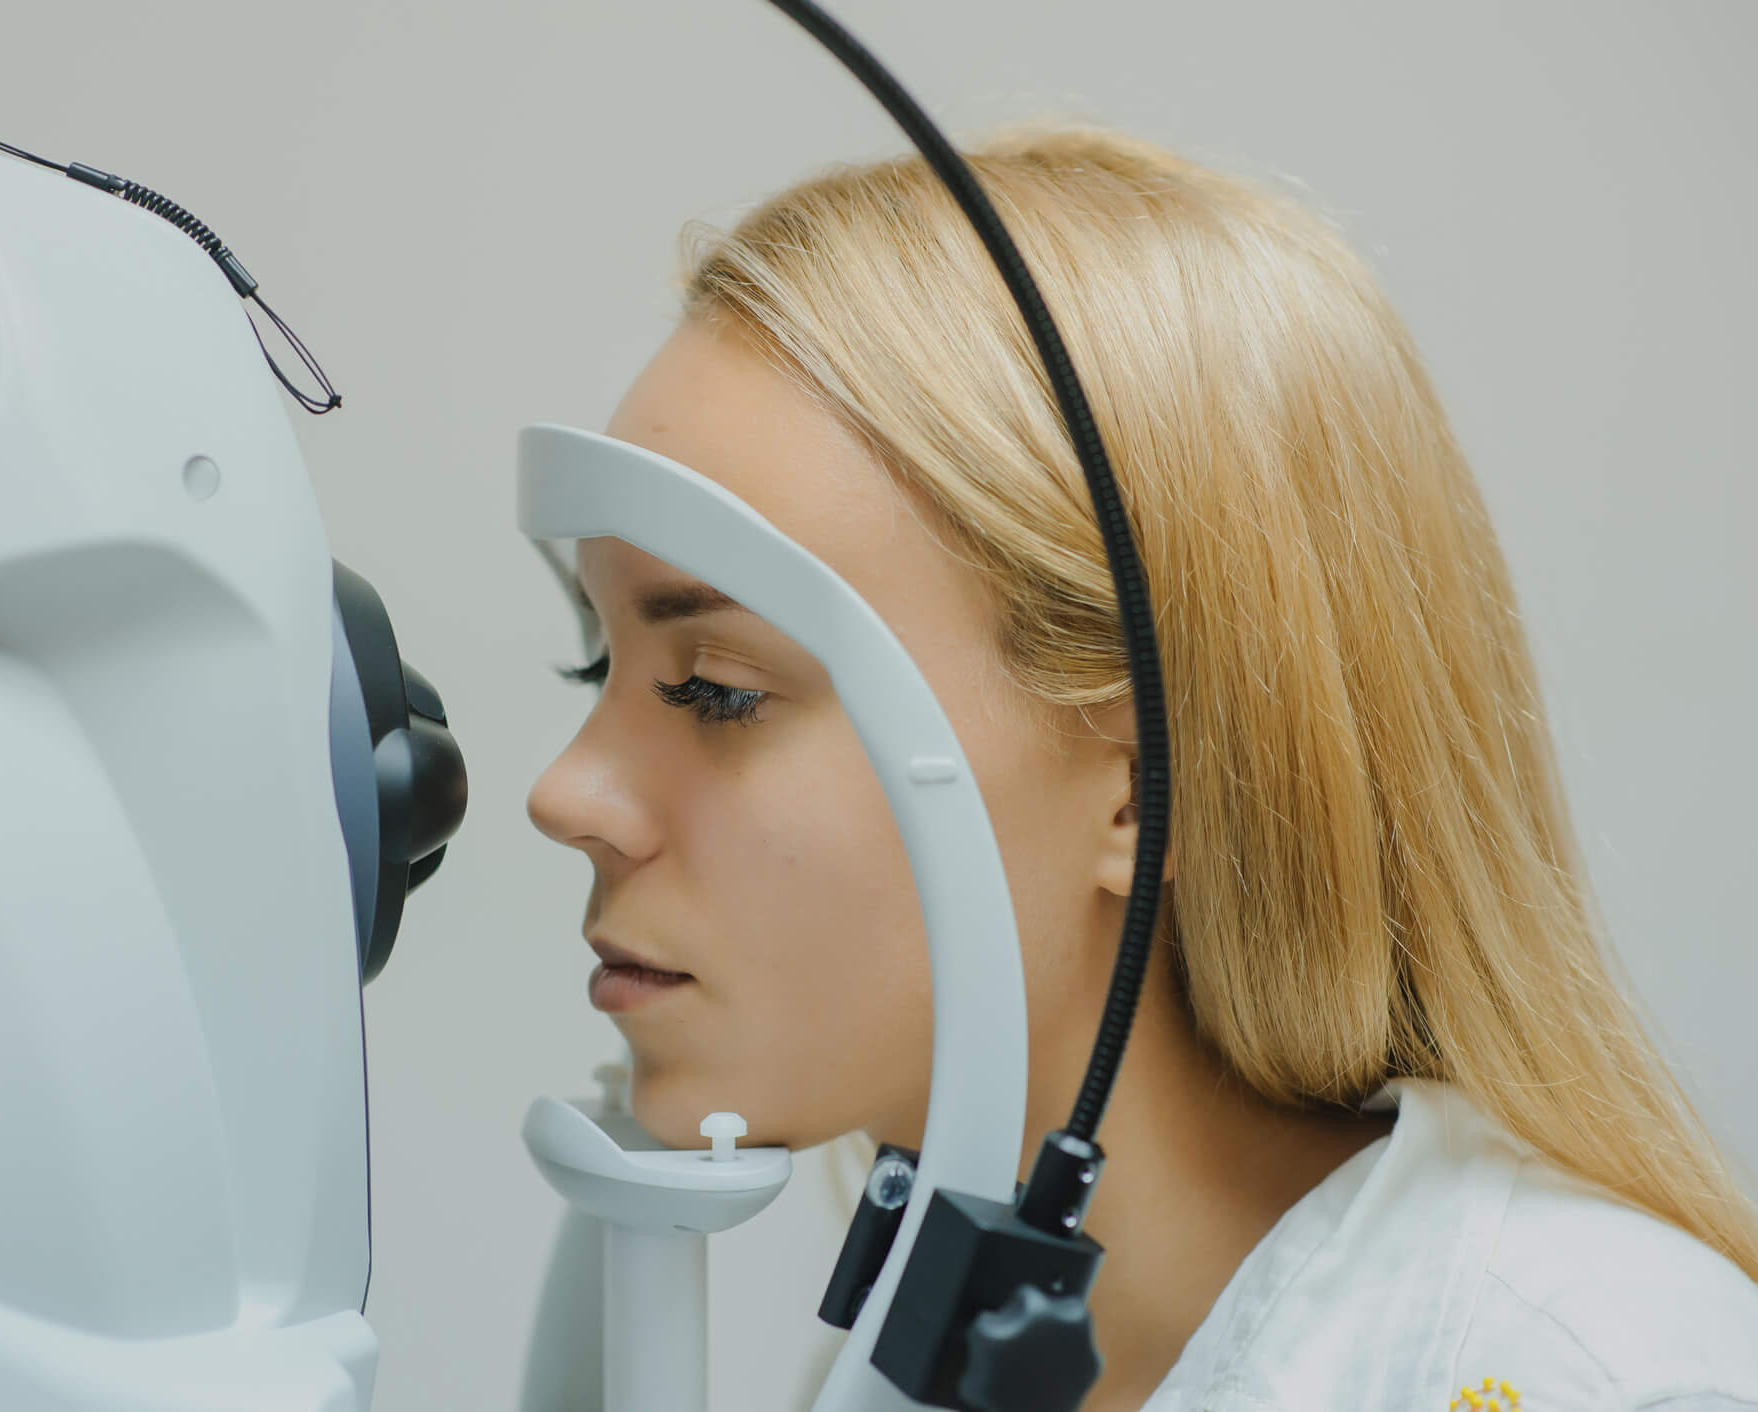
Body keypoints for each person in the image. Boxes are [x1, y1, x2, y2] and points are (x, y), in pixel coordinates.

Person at [523, 126, 1758, 1411]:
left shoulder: (1585, 1371)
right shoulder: (903, 1372)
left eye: (717, 687)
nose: (567, 794)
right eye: (592, 666)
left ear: (1141, 780)